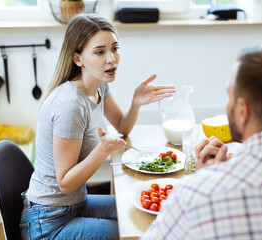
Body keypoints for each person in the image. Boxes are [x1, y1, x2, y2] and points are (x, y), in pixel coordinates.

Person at [142, 46, 262, 239]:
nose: (227, 104)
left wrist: (204, 180)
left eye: (230, 96)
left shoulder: (193, 195)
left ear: (243, 110)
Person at [20, 13, 174, 240]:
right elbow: (65, 183)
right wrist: (102, 150)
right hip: (49, 221)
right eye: (100, 52)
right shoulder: (70, 105)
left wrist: (136, 102)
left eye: (115, 48)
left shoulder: (98, 86)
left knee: (149, 212)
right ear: (78, 59)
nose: (112, 59)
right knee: (136, 232)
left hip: (75, 205)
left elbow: (122, 126)